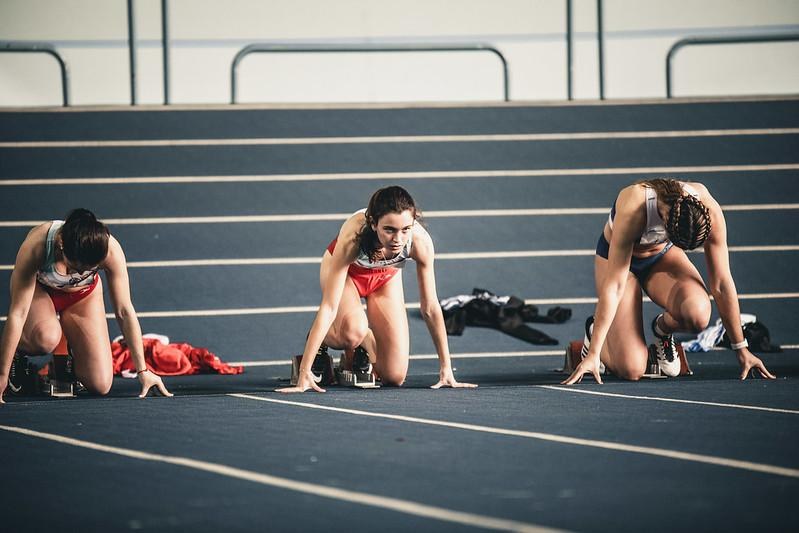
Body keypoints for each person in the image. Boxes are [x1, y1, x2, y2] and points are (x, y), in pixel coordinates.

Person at [563, 178, 775, 385]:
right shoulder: (635, 204)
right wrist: (594, 353)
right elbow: (615, 286)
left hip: (662, 256)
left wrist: (741, 348)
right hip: (618, 263)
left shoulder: (706, 206)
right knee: (631, 369)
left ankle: (662, 332)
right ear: (666, 222)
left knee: (697, 314)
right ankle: (593, 334)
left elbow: (721, 283)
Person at [277, 186, 477, 393]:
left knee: (394, 376)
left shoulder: (420, 242)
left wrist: (446, 369)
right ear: (373, 223)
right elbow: (329, 307)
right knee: (351, 333)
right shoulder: (352, 238)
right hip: (348, 275)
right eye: (389, 230)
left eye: (405, 229)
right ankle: (320, 340)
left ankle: (357, 351)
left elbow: (430, 307)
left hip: (385, 277)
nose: (398, 239)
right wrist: (304, 373)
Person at [0, 209, 172, 402]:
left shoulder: (110, 249)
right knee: (46, 337)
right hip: (40, 293)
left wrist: (143, 369)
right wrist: (1, 377)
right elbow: (18, 313)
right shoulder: (37, 246)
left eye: (87, 270)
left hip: (82, 297)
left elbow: (124, 310)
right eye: (76, 268)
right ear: (61, 244)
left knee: (100, 383)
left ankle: (63, 362)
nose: (78, 274)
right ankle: (14, 353)